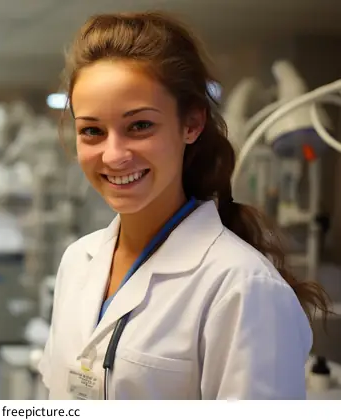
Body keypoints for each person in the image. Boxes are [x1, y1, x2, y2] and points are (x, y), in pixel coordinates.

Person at [38, 12, 330, 400]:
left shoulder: (241, 287)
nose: (113, 155)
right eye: (92, 131)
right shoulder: (78, 261)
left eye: (140, 125)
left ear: (191, 124)